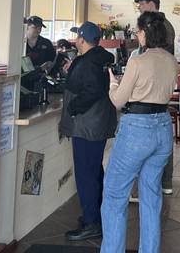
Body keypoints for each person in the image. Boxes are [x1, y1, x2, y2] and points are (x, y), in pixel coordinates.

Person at [101, 11, 178, 253]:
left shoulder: (137, 61)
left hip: (137, 129)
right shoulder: (170, 60)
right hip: (164, 128)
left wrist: (113, 83)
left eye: (137, 31)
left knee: (114, 195)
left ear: (144, 33)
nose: (137, 35)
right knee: (152, 196)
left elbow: (118, 101)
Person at [59, 21, 118, 241]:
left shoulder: (87, 62)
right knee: (94, 171)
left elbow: (90, 90)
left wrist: (73, 108)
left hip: (86, 125)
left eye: (77, 37)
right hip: (99, 123)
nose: (75, 40)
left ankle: (92, 222)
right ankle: (98, 216)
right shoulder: (102, 58)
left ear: (82, 39)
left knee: (85, 174)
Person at [130, 0, 176, 199]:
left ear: (151, 4)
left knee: (149, 138)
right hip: (161, 83)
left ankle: (152, 183)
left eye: (141, 4)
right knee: (162, 135)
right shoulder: (164, 25)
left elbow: (150, 55)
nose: (139, 8)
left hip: (151, 83)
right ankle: (163, 181)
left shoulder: (159, 26)